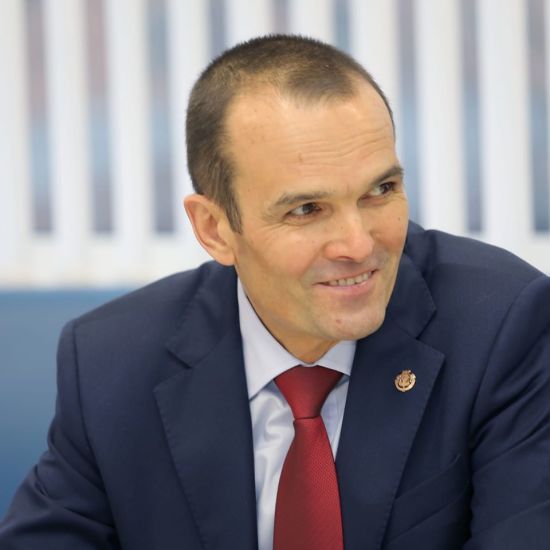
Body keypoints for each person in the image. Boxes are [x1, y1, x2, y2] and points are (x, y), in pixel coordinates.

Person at [1, 34, 549, 550]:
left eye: (381, 190)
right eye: (306, 210)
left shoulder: (502, 327)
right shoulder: (111, 365)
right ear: (215, 229)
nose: (360, 245)